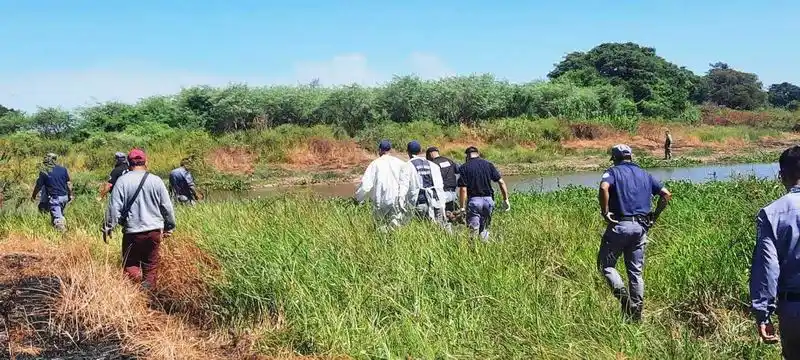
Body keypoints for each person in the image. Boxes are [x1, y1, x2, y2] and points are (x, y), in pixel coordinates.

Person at [598, 144, 671, 321]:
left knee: (606, 266)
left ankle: (624, 298)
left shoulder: (613, 172)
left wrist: (605, 212)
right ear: (631, 157)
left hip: (620, 225)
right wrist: (655, 215)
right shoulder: (645, 174)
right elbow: (666, 194)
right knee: (635, 273)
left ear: (615, 158)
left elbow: (603, 188)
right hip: (641, 228)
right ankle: (636, 313)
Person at [750, 145, 800, 358]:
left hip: (793, 309)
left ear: (782, 175)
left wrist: (763, 314)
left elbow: (768, 268)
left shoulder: (771, 214)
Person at [102, 149, 176, 290]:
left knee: (130, 265)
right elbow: (167, 206)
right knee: (151, 265)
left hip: (132, 232)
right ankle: (148, 295)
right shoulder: (156, 180)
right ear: (146, 162)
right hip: (154, 231)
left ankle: (135, 294)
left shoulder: (122, 181)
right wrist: (169, 226)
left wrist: (107, 227)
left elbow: (114, 208)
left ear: (129, 163)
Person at [457, 146, 510, 241]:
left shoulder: (464, 167)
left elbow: (463, 189)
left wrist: (462, 207)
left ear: (467, 156)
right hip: (488, 201)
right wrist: (505, 199)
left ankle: (473, 252)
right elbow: (501, 182)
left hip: (474, 201)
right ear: (478, 154)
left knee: (473, 230)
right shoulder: (488, 165)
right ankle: (485, 249)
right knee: (484, 229)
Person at [355, 140, 408, 232]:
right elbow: (406, 181)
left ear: (379, 150)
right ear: (390, 150)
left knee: (381, 227)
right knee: (396, 227)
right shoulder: (400, 163)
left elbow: (366, 185)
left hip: (381, 200)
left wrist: (358, 198)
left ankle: (383, 244)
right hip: (397, 199)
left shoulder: (375, 164)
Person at [401, 141, 449, 231]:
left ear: (408, 152)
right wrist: (442, 204)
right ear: (420, 151)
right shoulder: (432, 165)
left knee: (420, 230)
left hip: (419, 202)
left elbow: (403, 187)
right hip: (435, 202)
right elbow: (440, 185)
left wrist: (400, 203)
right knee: (437, 230)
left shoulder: (407, 166)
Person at [31, 153, 73, 232]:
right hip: (64, 197)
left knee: (58, 220)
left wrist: (33, 196)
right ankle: (55, 235)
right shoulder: (63, 169)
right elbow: (68, 184)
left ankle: (65, 238)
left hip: (55, 198)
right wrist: (70, 195)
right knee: (58, 215)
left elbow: (38, 185)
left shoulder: (44, 171)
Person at [426, 146, 460, 212]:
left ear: (430, 155)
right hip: (453, 194)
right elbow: (459, 171)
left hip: (441, 195)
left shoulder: (432, 164)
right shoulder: (450, 161)